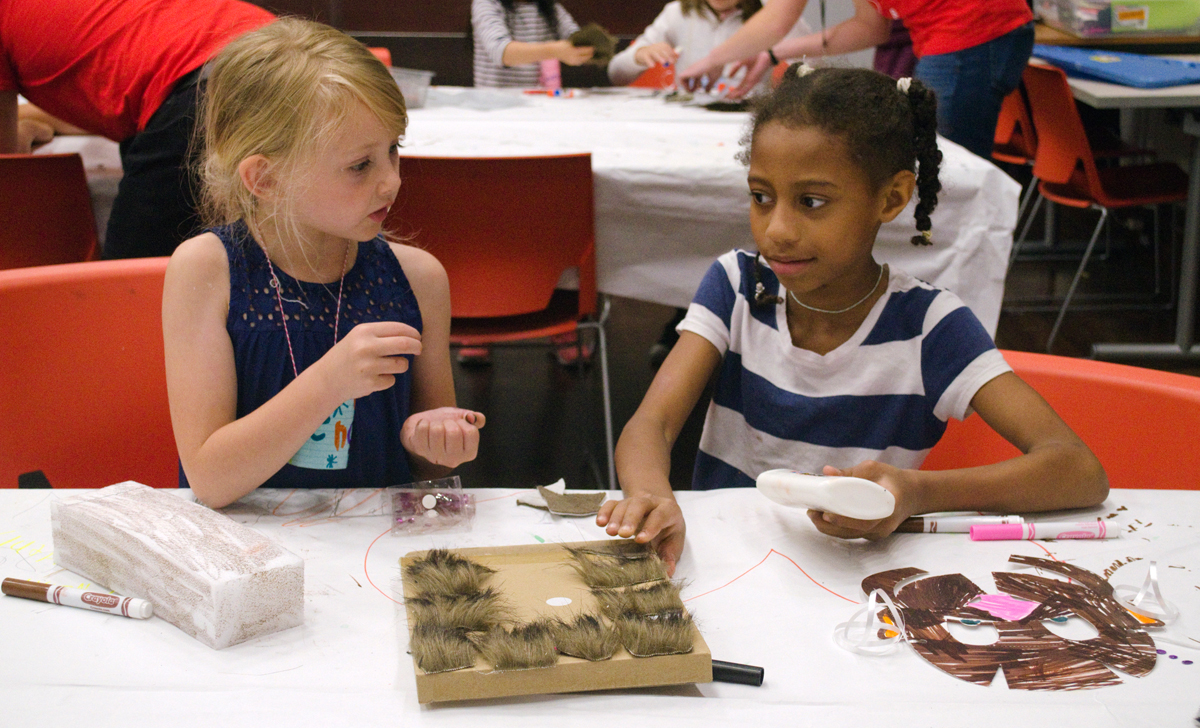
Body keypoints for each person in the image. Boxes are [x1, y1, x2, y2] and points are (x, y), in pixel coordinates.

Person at [596, 66, 1108, 575]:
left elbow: (1076, 469)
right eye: (760, 197)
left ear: (890, 198)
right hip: (729, 563)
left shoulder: (931, 327)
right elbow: (652, 424)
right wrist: (649, 495)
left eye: (812, 202)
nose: (776, 231)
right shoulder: (736, 286)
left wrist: (916, 492)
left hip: (864, 582)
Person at [162, 19, 486, 509]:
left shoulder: (418, 278)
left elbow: (428, 468)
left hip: (371, 549)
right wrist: (329, 381)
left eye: (393, 149)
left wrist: (439, 440)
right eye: (361, 165)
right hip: (248, 553)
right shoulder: (207, 271)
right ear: (265, 179)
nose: (392, 181)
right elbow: (209, 479)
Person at [0, 0, 275, 259]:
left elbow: (8, 161)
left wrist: (23, 132)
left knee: (126, 291)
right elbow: (105, 95)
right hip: (283, 55)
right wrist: (30, 124)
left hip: (203, 86)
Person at [676, 0, 1035, 159]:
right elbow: (870, 28)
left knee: (944, 172)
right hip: (961, 38)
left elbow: (778, 17)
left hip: (974, 33)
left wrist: (710, 60)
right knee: (935, 167)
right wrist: (772, 54)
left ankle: (954, 300)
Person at [607, 0, 810, 92]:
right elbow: (615, 74)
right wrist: (640, 55)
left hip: (748, 116)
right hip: (687, 118)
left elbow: (811, 63)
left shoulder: (772, 14)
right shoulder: (676, 12)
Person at [472, 0, 595, 87]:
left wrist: (587, 46)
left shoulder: (549, 7)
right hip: (495, 105)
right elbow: (501, 52)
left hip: (538, 103)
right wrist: (555, 50)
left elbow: (574, 37)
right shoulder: (486, 3)